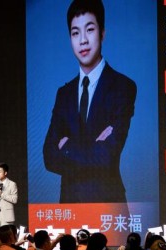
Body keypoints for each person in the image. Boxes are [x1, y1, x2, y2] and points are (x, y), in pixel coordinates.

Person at [42, 0, 136, 204]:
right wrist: (94, 147)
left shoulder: (123, 86)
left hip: (108, 206)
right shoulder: (64, 94)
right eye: (75, 33)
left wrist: (67, 147)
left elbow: (107, 156)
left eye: (90, 29)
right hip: (70, 206)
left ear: (102, 33)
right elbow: (49, 157)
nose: (83, 40)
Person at [0, 163, 18, 235]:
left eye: (0, 172)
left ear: (5, 173)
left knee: (6, 236)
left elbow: (14, 199)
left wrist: (2, 194)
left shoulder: (12, 184)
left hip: (7, 216)